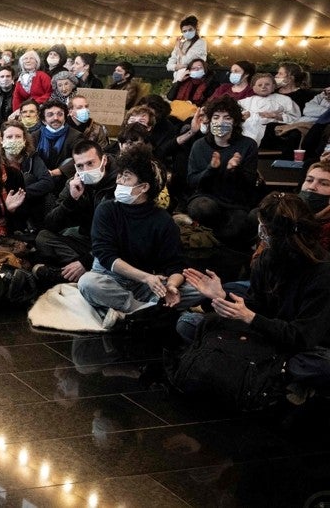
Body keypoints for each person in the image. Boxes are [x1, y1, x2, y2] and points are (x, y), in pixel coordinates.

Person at [184, 193, 330, 400]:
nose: (259, 232)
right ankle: (272, 369)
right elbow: (256, 305)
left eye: (263, 226)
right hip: (269, 335)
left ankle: (263, 366)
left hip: (306, 344)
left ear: (272, 231)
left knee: (323, 364)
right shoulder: (268, 259)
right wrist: (221, 297)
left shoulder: (322, 272)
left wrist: (251, 318)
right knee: (189, 322)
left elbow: (302, 337)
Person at [78, 147, 201, 326]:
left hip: (145, 284)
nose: (118, 180)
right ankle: (143, 310)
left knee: (199, 289)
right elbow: (105, 256)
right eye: (119, 175)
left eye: (126, 177)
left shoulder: (163, 220)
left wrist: (171, 286)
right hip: (110, 278)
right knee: (87, 283)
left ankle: (130, 311)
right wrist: (146, 278)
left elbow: (175, 264)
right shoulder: (107, 209)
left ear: (143, 187)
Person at [34, 139, 116, 284]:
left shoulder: (119, 184)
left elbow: (120, 236)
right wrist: (71, 200)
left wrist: (86, 261)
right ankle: (82, 273)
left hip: (111, 245)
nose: (86, 170)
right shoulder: (75, 183)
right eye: (80, 166)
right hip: (86, 240)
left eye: (90, 163)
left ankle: (70, 274)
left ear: (104, 160)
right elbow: (50, 224)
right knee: (43, 238)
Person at [187, 96, 259, 244]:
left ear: (235, 122)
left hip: (236, 202)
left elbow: (250, 183)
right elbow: (192, 181)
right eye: (216, 117)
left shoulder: (248, 145)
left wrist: (235, 170)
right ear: (210, 120)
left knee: (236, 228)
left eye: (227, 118)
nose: (221, 122)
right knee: (203, 208)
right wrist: (211, 169)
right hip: (206, 196)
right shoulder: (199, 145)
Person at [0, 120, 55, 223]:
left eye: (18, 136)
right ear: (2, 140)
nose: (14, 140)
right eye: (9, 137)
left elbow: (47, 181)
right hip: (4, 205)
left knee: (29, 180)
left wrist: (20, 194)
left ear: (24, 140)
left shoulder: (32, 157)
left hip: (29, 203)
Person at [239, 72, 300, 147]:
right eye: (260, 85)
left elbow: (296, 117)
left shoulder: (285, 100)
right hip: (248, 131)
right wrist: (244, 116)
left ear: (274, 86)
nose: (263, 87)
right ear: (253, 88)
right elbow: (234, 113)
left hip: (273, 133)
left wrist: (277, 116)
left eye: (267, 84)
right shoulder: (246, 101)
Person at [31, 99, 81, 181]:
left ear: (65, 118)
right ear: (44, 120)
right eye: (50, 115)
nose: (56, 118)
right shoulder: (35, 136)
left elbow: (80, 159)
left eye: (60, 114)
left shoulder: (76, 136)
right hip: (39, 177)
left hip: (65, 179)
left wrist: (55, 172)